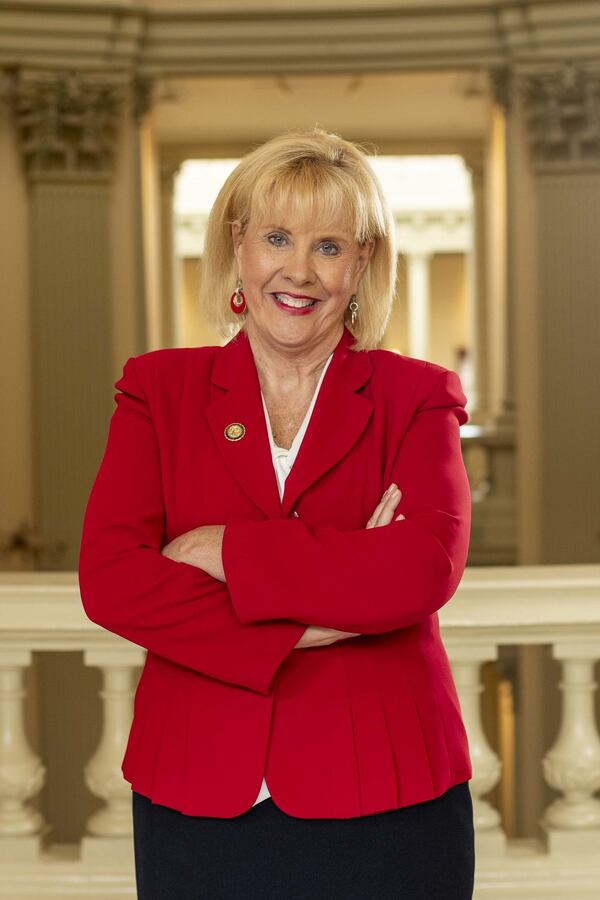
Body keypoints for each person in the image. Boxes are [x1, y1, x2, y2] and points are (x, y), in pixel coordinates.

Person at [78, 127, 475, 899]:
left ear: (362, 261)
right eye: (277, 237)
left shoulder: (415, 396)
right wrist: (324, 608)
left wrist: (224, 551)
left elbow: (421, 568)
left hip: (388, 794)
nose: (300, 270)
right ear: (238, 246)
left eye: (329, 246)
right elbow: (112, 580)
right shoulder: (158, 391)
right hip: (198, 790)